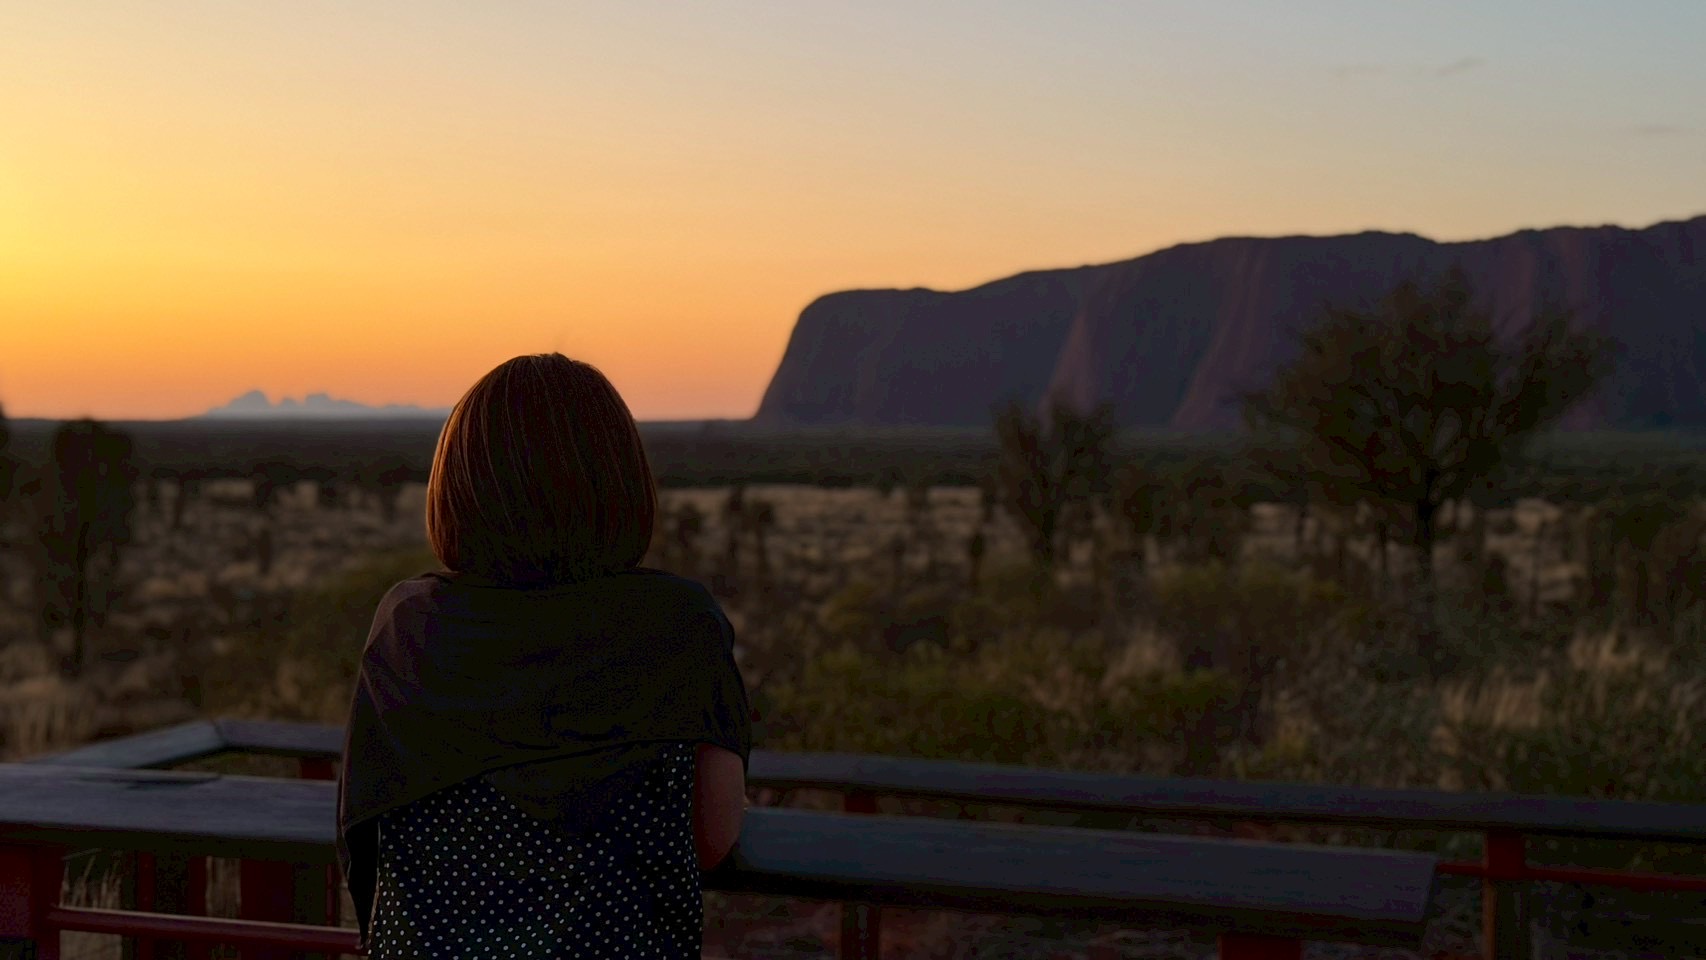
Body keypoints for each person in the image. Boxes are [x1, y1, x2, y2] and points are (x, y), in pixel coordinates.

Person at [336, 353, 752, 959]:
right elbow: (713, 839)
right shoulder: (675, 625)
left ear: (459, 487)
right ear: (620, 482)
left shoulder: (410, 626)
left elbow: (368, 821)